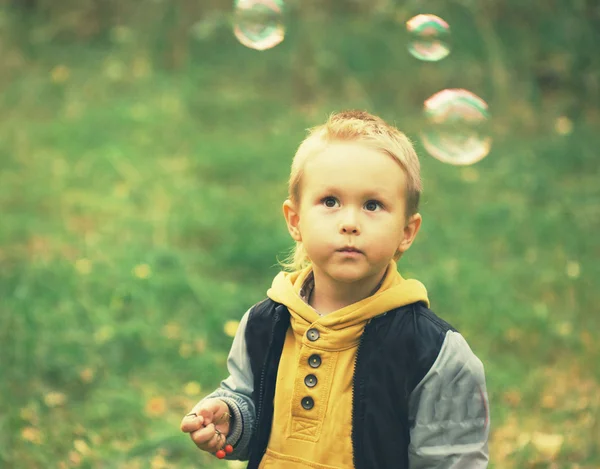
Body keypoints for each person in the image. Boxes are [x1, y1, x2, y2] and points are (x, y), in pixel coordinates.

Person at [180, 110, 490, 469]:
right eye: (330, 202)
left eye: (373, 205)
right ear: (295, 220)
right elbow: (251, 405)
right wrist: (230, 419)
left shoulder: (433, 352)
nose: (349, 223)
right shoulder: (264, 324)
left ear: (407, 231)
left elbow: (452, 460)